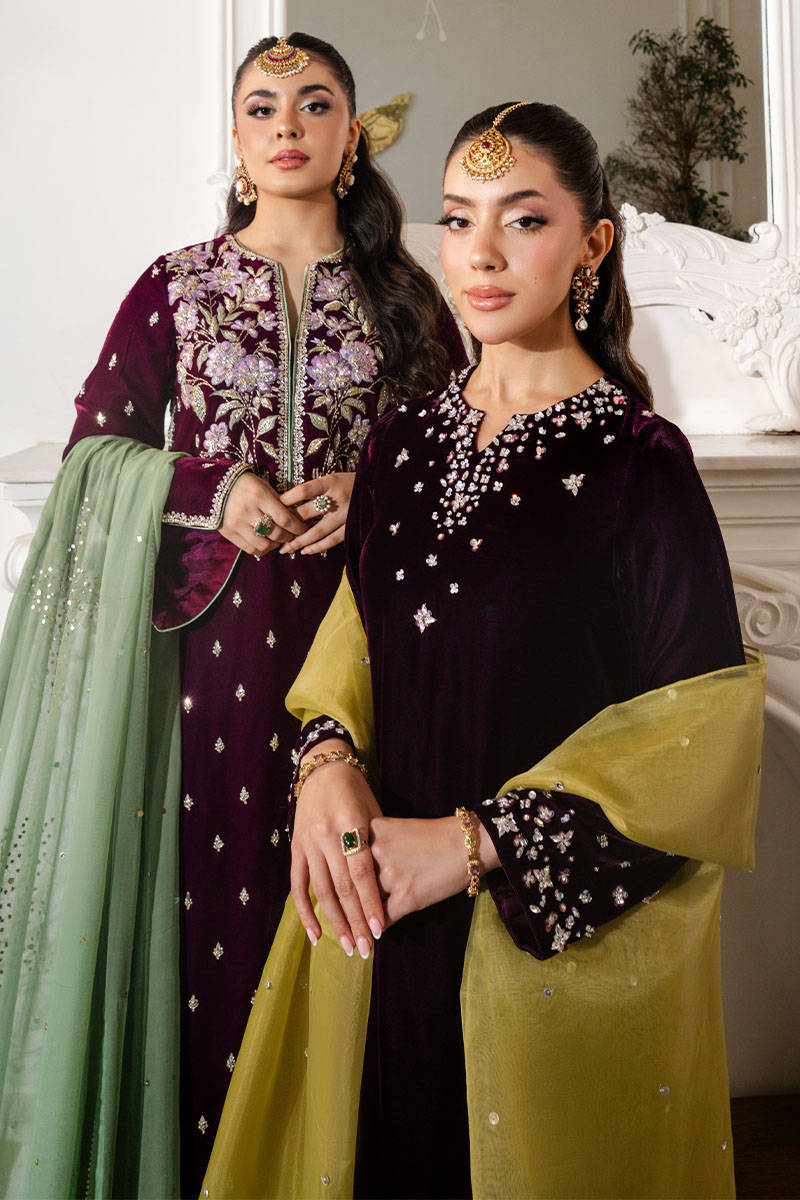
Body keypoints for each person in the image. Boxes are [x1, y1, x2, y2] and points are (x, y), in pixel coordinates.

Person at [202, 101, 765, 1200]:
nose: (483, 255)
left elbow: (698, 752)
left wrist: (472, 846)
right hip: (380, 920)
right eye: (459, 220)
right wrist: (325, 763)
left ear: (592, 244)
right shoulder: (401, 441)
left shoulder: (638, 464)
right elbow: (353, 643)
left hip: (535, 949)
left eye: (525, 219)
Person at [0, 32, 465, 1200]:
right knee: (215, 917)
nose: (286, 124)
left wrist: (371, 488)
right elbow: (95, 453)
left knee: (350, 911)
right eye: (261, 106)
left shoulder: (408, 295)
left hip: (364, 651)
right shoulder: (176, 285)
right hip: (209, 663)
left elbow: (466, 459)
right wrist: (212, 487)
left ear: (352, 135)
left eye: (313, 103)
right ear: (236, 138)